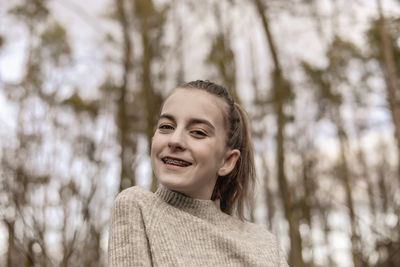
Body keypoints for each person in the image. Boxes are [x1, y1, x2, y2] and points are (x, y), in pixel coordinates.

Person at [108, 80, 289, 266]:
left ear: (227, 161)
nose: (175, 140)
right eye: (166, 127)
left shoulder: (264, 244)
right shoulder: (137, 207)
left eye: (198, 132)